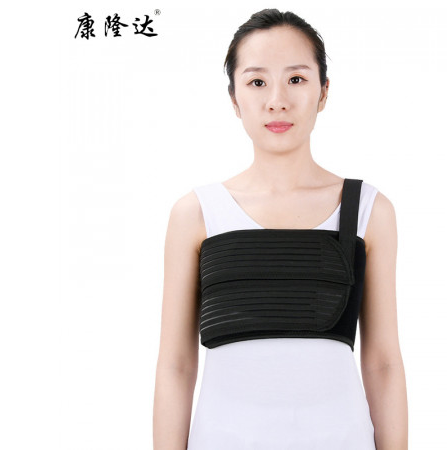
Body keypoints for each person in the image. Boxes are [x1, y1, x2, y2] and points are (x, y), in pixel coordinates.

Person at [153, 8, 408, 450]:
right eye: (257, 82)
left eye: (296, 79)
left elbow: (383, 363)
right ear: (234, 98)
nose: (277, 100)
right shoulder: (196, 214)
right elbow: (176, 365)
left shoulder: (369, 210)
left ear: (323, 91)